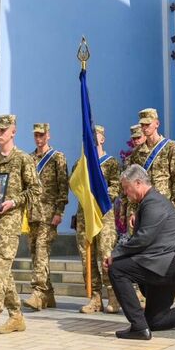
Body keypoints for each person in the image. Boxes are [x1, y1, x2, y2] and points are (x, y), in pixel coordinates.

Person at [105, 165, 175, 340]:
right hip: (165, 266)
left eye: (127, 188)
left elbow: (144, 239)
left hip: (165, 266)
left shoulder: (153, 202)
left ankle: (138, 327)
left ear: (138, 183)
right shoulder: (150, 202)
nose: (125, 193)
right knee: (156, 320)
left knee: (117, 269)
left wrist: (115, 254)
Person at [0, 114, 42, 340]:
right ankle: (16, 315)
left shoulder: (22, 159)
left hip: (9, 225)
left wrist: (13, 202)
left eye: (3, 130)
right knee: (1, 272)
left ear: (13, 132)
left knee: (0, 270)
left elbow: (35, 190)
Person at [74, 125, 121, 314]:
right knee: (87, 257)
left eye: (96, 136)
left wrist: (98, 197)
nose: (93, 139)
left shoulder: (111, 163)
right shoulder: (81, 165)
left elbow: (116, 187)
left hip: (104, 216)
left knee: (105, 255)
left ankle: (113, 296)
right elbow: (76, 186)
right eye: (89, 136)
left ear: (102, 139)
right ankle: (94, 297)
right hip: (85, 216)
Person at [23, 123, 68, 311]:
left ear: (48, 135)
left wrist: (60, 211)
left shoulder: (57, 158)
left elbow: (63, 186)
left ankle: (38, 292)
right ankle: (48, 294)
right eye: (36, 135)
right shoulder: (29, 158)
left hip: (48, 213)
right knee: (35, 253)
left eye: (42, 135)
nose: (38, 138)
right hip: (32, 213)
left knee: (42, 250)